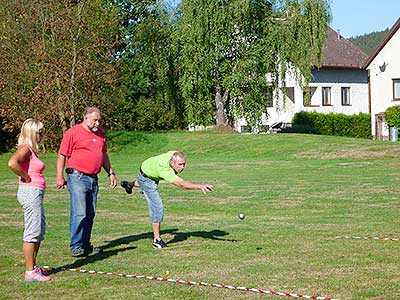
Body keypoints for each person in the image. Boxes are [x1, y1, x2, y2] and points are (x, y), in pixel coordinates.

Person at [56, 107, 117, 257]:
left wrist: (110, 172)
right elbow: (62, 155)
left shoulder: (100, 135)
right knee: (79, 212)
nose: (98, 123)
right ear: (86, 118)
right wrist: (59, 176)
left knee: (90, 213)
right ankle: (76, 245)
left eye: (99, 120)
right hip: (77, 177)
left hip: (93, 178)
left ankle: (85, 245)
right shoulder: (73, 133)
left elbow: (103, 155)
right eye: (95, 120)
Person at [121, 151, 213, 249]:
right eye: (180, 164)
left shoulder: (173, 154)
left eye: (184, 164)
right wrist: (200, 186)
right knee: (157, 207)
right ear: (172, 163)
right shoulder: (165, 170)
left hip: (149, 169)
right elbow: (182, 184)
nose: (182, 167)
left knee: (146, 183)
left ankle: (129, 185)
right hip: (147, 175)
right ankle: (157, 240)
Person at [8, 118, 51, 282]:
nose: (42, 135)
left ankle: (33, 266)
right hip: (30, 192)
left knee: (38, 229)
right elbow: (12, 163)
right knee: (32, 231)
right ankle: (30, 271)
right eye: (39, 132)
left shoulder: (31, 150)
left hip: (36, 193)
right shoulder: (25, 148)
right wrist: (26, 176)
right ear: (32, 133)